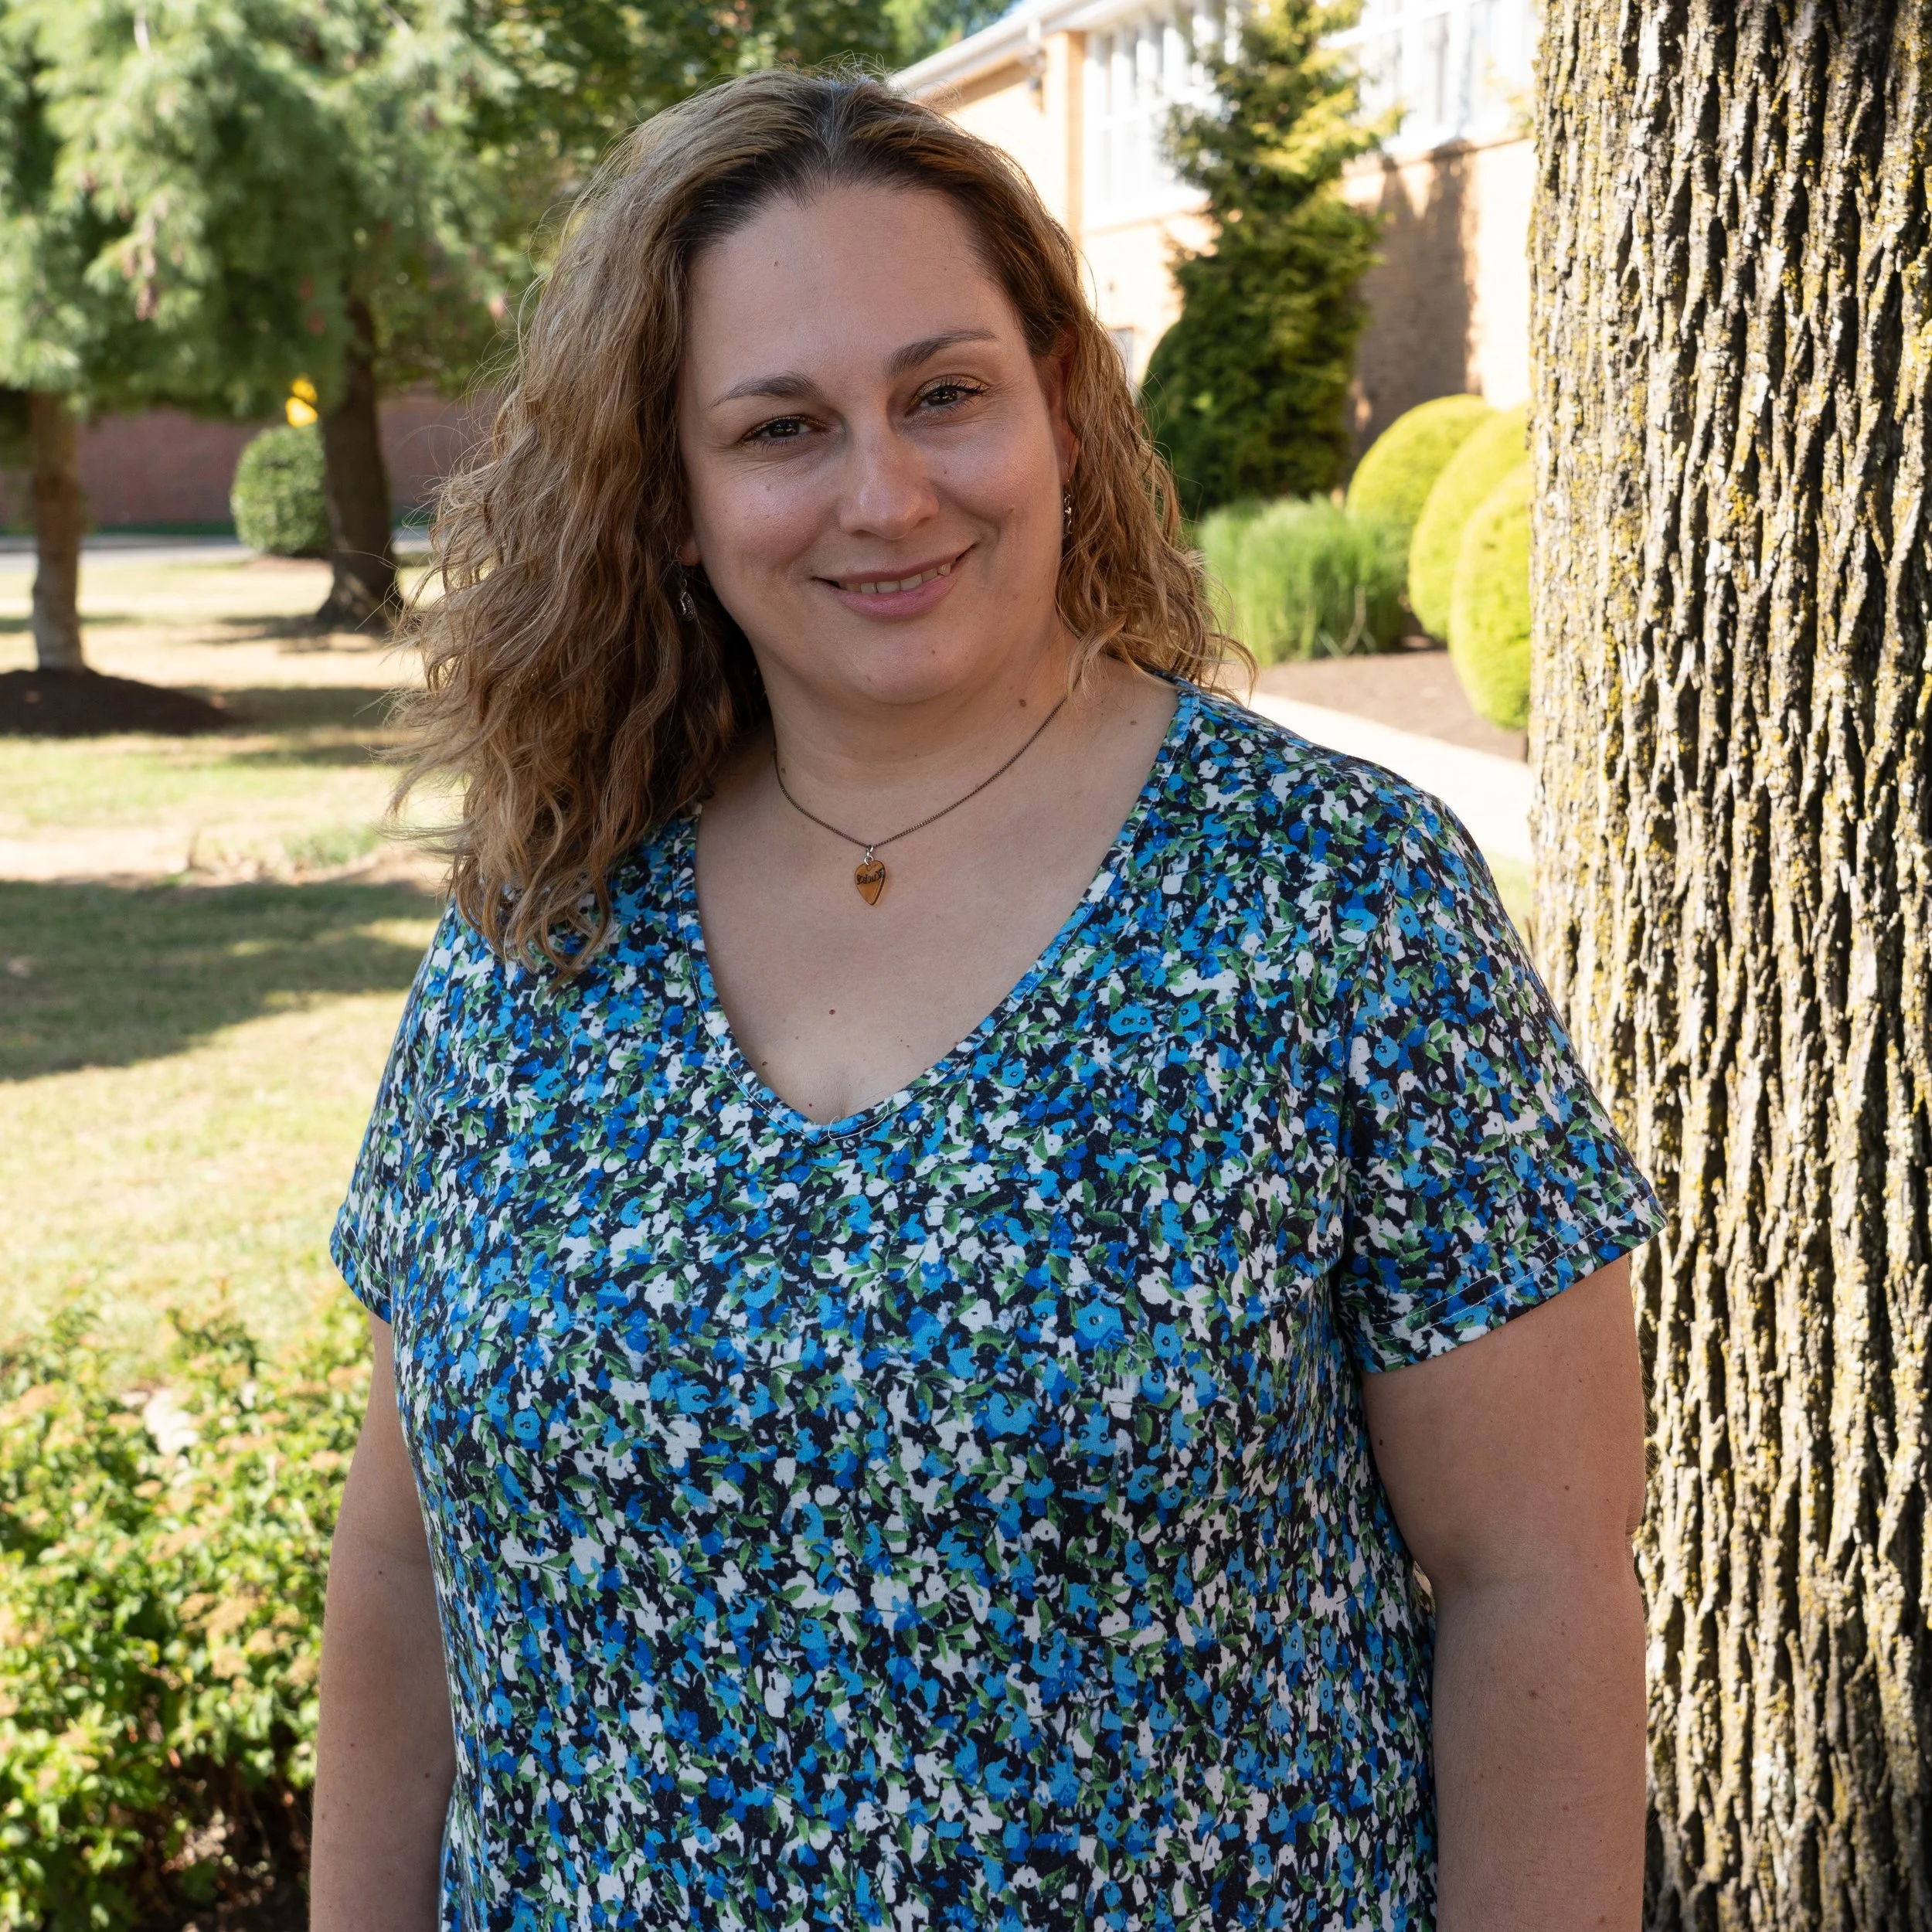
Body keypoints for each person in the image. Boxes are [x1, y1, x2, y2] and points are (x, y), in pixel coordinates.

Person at [311, 69, 1662, 1932]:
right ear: (672, 500)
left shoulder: (1336, 899)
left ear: (1058, 402)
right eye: (780, 427)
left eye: (943, 392)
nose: (887, 492)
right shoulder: (543, 915)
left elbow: (1537, 1579)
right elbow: (400, 1564)